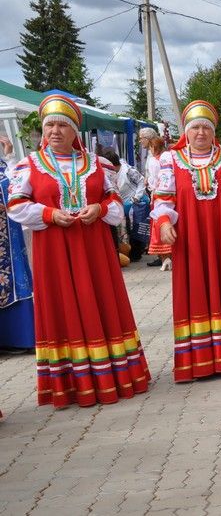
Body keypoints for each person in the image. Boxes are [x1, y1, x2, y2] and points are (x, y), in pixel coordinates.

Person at [7, 94, 151, 407]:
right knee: (63, 307)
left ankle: (114, 375)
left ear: (75, 131)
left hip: (94, 249)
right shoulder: (28, 166)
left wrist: (99, 209)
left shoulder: (97, 165)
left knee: (99, 301)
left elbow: (116, 202)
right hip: (54, 252)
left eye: (62, 125)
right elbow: (15, 206)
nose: (55, 131)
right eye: (49, 126)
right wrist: (48, 214)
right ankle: (73, 384)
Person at [152, 100, 221, 383]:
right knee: (195, 291)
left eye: (206, 128)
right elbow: (164, 198)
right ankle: (199, 361)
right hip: (190, 240)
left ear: (214, 132)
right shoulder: (170, 161)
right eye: (195, 127)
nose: (200, 132)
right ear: (185, 132)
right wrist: (164, 222)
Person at [0, 134, 34, 351]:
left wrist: (10, 155)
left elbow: (15, 187)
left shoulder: (5, 168)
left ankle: (18, 337)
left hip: (7, 239)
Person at [145, 136, 172, 268]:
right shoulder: (169, 156)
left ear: (153, 147)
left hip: (158, 195)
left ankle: (164, 257)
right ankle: (170, 256)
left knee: (158, 223)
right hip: (171, 194)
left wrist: (151, 186)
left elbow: (153, 180)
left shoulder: (153, 161)